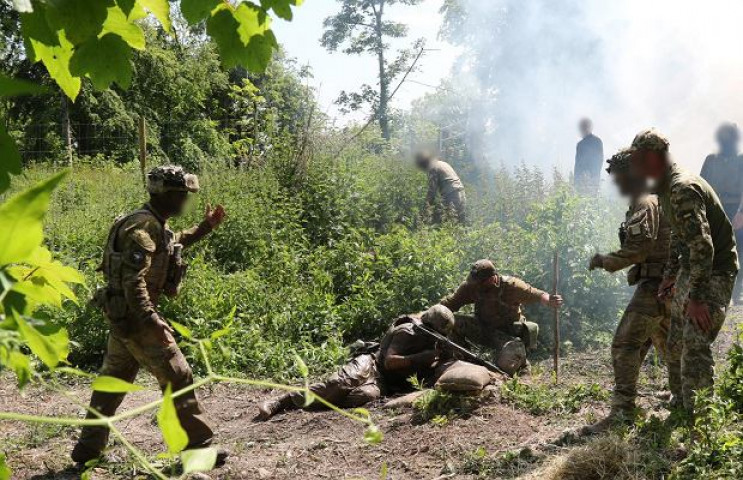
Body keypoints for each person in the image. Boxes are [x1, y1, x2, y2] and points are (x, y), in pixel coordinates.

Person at [71, 166, 227, 465]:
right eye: (183, 195)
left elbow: (172, 243)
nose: (185, 201)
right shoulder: (144, 227)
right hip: (136, 319)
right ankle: (199, 449)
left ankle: (88, 449)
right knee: (179, 376)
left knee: (112, 381)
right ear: (169, 195)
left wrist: (205, 227)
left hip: (122, 319)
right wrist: (151, 319)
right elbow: (133, 280)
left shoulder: (148, 222)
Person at [629, 129, 738, 418]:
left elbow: (703, 246)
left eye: (639, 160)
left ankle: (700, 417)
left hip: (715, 271)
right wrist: (670, 276)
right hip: (694, 268)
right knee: (675, 337)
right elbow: (681, 239)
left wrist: (698, 298)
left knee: (694, 342)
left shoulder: (682, 189)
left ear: (654, 158)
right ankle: (680, 400)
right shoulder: (667, 189)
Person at [583, 149, 675, 434]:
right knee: (667, 343)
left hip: (655, 286)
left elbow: (639, 249)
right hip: (665, 285)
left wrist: (605, 260)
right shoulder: (648, 201)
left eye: (621, 178)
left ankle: (623, 412)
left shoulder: (645, 203)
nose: (617, 185)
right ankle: (683, 398)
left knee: (625, 345)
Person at [255, 305, 457, 420]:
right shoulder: (407, 332)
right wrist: (422, 358)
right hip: (373, 363)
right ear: (427, 323)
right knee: (342, 383)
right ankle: (284, 400)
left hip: (383, 382)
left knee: (363, 396)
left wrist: (444, 356)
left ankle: (318, 400)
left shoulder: (434, 341)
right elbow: (389, 362)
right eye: (434, 332)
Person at [439, 260, 563, 376]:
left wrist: (550, 300)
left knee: (505, 366)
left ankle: (521, 364)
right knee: (452, 321)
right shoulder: (471, 287)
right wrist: (425, 314)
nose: (477, 285)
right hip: (483, 329)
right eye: (475, 282)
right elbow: (450, 304)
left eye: (480, 282)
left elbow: (536, 294)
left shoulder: (511, 286)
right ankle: (465, 359)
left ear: (492, 279)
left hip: (507, 335)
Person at [700, 122, 743, 303]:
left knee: (739, 250)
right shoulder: (711, 160)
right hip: (716, 208)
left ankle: (736, 291)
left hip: (737, 208)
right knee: (716, 249)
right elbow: (701, 185)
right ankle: (717, 290)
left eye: (729, 136)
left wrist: (741, 212)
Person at [415, 151, 467, 223]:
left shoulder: (432, 167)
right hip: (461, 193)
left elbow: (432, 191)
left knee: (443, 222)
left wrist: (425, 209)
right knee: (459, 222)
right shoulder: (443, 163)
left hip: (451, 195)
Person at [574, 118, 604, 194]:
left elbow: (599, 160)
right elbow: (578, 164)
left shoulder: (582, 144)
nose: (581, 130)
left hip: (589, 179)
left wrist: (593, 177)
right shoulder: (596, 141)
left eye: (582, 128)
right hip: (587, 179)